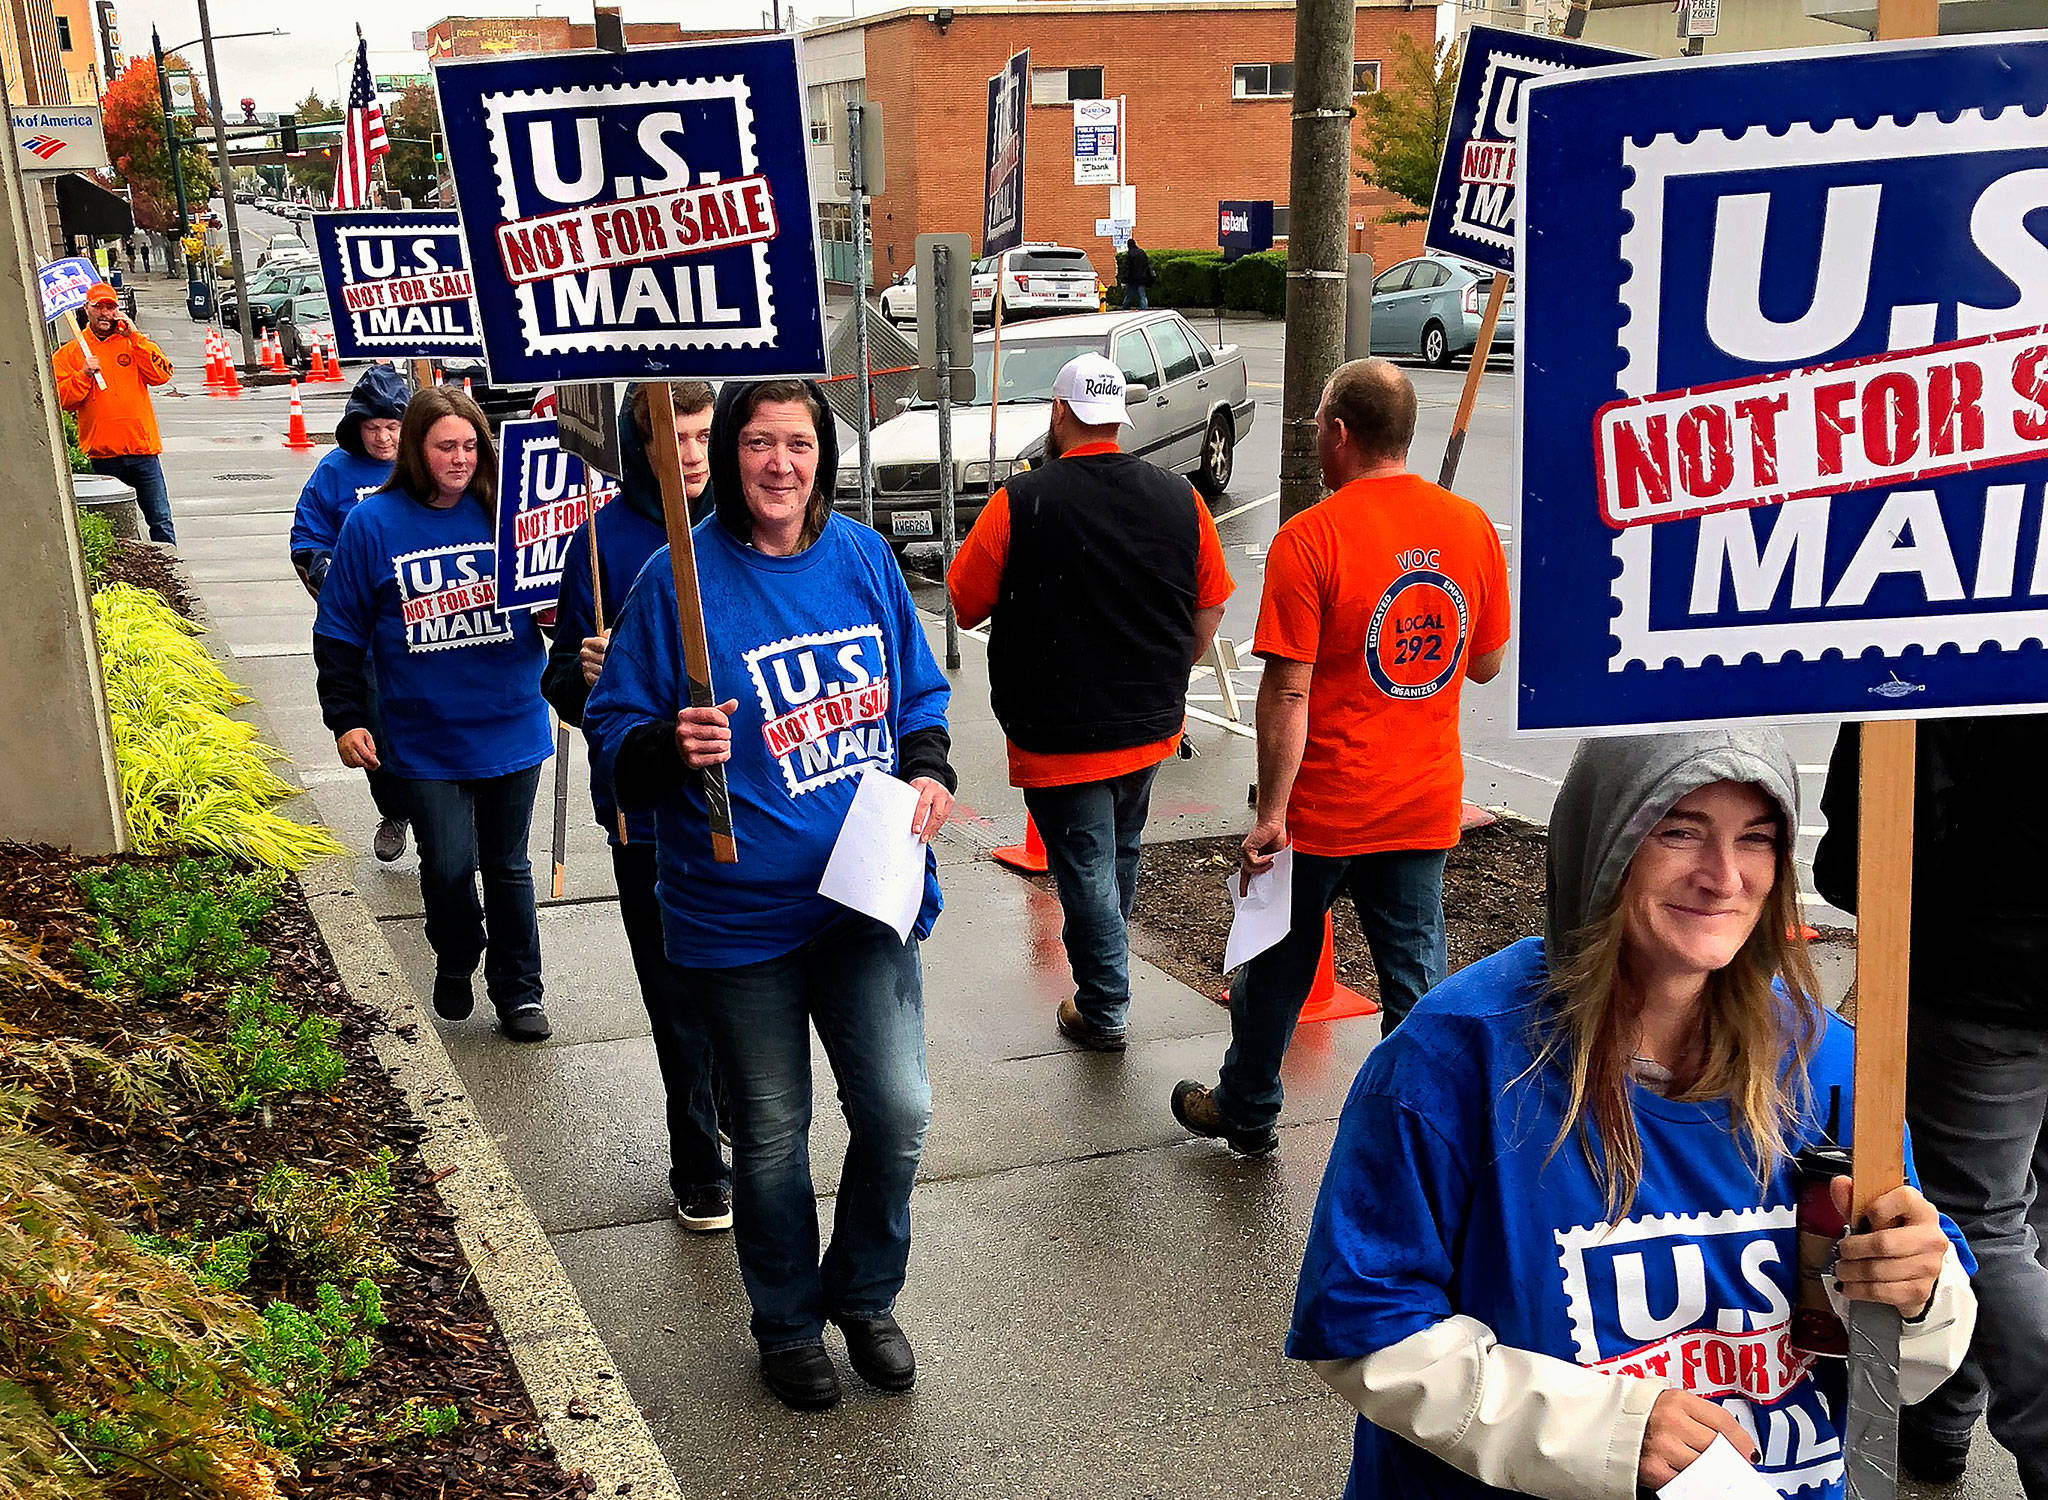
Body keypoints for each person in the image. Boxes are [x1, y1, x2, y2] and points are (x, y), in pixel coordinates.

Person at [1289, 729, 1978, 1500]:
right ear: (1603, 843)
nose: (1723, 878)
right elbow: (1365, 1326)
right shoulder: (1454, 1059)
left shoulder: (1831, 1064)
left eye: (1756, 840)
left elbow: (1904, 1368)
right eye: (1679, 830)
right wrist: (1606, 1431)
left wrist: (1919, 1296)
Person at [585, 379, 955, 1413]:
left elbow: (918, 693)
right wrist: (668, 743)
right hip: (735, 918)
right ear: (731, 456)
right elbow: (614, 742)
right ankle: (786, 1322)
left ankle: (864, 1295)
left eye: (797, 443)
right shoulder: (677, 584)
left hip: (862, 899)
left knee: (897, 1111)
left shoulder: (864, 560)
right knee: (773, 1134)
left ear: (821, 455)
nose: (778, 464)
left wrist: (928, 767)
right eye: (758, 444)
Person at [1173, 358, 1510, 1155]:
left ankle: (1248, 1108)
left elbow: (1287, 693)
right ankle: (1425, 1141)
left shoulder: (1310, 539)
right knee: (1416, 985)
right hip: (1422, 803)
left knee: (1274, 976)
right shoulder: (1468, 528)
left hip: (1323, 813)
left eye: (1318, 420)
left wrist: (1270, 815)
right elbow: (1487, 662)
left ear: (1339, 432)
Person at [949, 352, 1232, 1051]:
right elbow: (1212, 604)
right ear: (1119, 418)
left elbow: (960, 601)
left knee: (1085, 872)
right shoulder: (1181, 498)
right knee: (1118, 852)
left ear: (1059, 413)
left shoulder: (1020, 501)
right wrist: (1170, 667)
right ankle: (1103, 979)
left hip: (1057, 733)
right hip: (1149, 725)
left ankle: (1104, 1007)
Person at [1814, 718, 2047, 1495]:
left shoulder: (1954, 626)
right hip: (2002, 970)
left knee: (1977, 1219)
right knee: (2019, 1210)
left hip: (1985, 977)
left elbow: (1879, 837)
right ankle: (1941, 1422)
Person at [542, 381, 733, 1233]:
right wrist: (586, 674)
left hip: (745, 811)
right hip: (645, 816)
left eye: (702, 435)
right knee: (673, 995)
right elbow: (561, 687)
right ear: (639, 444)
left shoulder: (745, 527)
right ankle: (697, 1161)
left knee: (738, 987)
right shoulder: (600, 541)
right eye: (674, 436)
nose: (691, 454)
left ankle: (734, 1116)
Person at [313, 386, 554, 1043]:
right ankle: (455, 952)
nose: (461, 458)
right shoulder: (374, 524)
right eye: (446, 446)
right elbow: (338, 631)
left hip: (510, 720)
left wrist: (568, 615)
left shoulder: (509, 513)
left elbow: (559, 601)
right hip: (421, 732)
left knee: (508, 867)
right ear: (418, 449)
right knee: (448, 866)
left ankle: (519, 992)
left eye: (472, 446)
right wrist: (345, 716)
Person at [290, 364, 412, 865]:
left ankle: (442, 824)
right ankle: (394, 808)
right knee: (374, 723)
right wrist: (340, 589)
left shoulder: (424, 463)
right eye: (373, 428)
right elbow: (307, 543)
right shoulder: (334, 473)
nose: (383, 438)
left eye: (393, 427)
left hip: (427, 620)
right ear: (357, 426)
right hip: (363, 631)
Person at [52, 283, 176, 544]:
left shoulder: (133, 344)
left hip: (142, 452)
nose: (105, 313)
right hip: (104, 457)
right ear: (87, 309)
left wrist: (136, 337)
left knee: (161, 520)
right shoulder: (71, 353)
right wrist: (83, 374)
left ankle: (172, 577)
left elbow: (162, 374)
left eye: (110, 307)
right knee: (116, 530)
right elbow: (61, 400)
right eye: (99, 307)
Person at [1123, 239, 1152, 309]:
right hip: (1141, 278)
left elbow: (1127, 268)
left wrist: (1124, 279)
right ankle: (1144, 308)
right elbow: (1147, 265)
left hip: (1131, 279)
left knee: (1128, 296)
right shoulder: (1142, 252)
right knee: (1142, 296)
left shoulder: (1129, 254)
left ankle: (1125, 308)